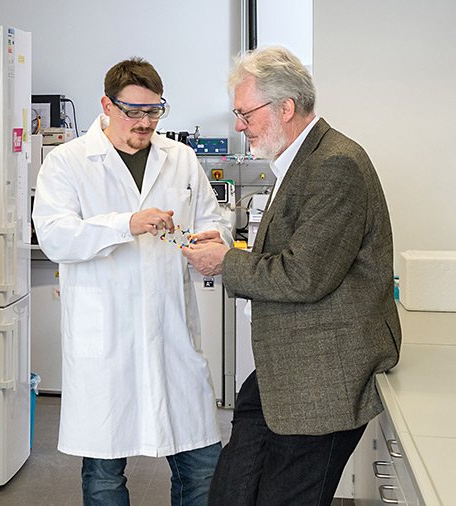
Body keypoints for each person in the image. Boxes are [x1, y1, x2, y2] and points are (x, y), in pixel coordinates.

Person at [182, 46, 402, 505]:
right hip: (287, 367)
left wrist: (226, 261)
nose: (240, 125)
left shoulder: (335, 164)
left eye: (245, 113)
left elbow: (303, 275)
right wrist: (233, 253)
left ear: (286, 107)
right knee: (231, 491)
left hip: (323, 380)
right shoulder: (299, 161)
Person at [32, 57, 231, 506]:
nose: (145, 122)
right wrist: (127, 223)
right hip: (106, 344)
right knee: (104, 474)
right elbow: (56, 236)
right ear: (106, 104)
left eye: (154, 111)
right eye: (134, 111)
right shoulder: (68, 162)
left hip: (172, 338)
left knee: (202, 468)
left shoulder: (179, 159)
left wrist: (211, 236)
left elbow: (212, 219)